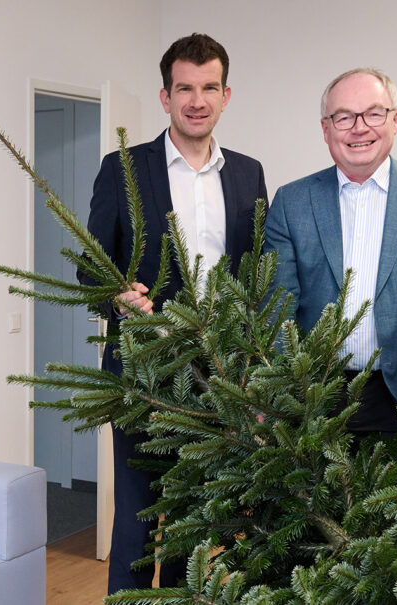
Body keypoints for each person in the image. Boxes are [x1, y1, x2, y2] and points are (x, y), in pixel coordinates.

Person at [84, 33, 267, 593]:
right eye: (184, 87)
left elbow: (259, 272)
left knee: (197, 522)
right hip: (143, 373)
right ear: (164, 96)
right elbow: (91, 272)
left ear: (226, 94)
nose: (196, 99)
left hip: (220, 376)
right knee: (138, 518)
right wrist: (117, 296)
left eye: (208, 87)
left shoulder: (248, 173)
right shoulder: (121, 168)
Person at [264, 67, 397, 438]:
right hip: (313, 405)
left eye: (374, 113)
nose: (359, 128)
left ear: (395, 120)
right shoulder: (291, 202)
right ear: (326, 129)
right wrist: (276, 401)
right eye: (344, 117)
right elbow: (279, 311)